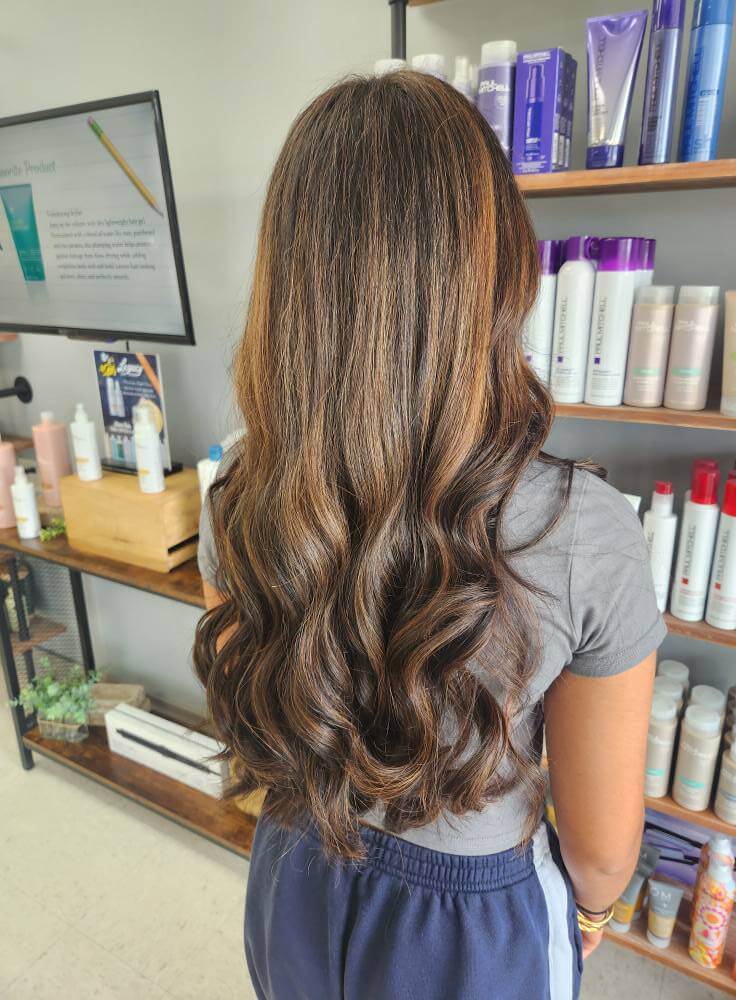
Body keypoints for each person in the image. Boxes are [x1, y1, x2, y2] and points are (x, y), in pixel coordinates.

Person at [194, 71, 665, 1000]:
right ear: (500, 275)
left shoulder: (241, 489)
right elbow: (603, 848)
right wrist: (593, 917)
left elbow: (262, 721)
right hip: (473, 931)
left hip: (295, 873)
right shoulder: (586, 530)